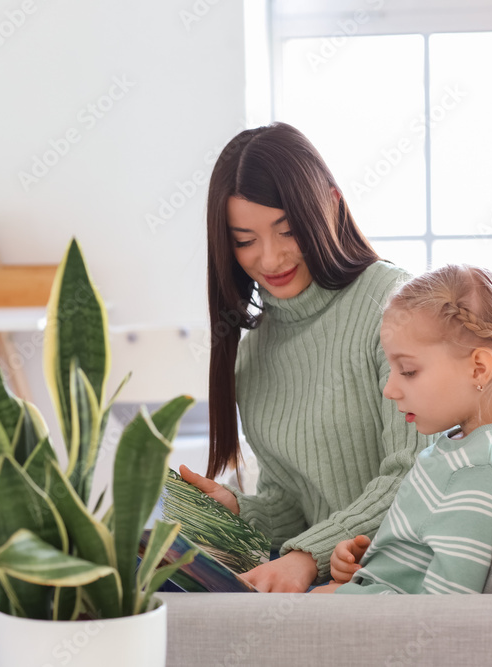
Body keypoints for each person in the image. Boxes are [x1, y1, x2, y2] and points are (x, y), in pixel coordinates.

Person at [178, 122, 431, 592]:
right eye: (245, 240)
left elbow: (416, 473)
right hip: (318, 568)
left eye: (288, 230)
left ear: (331, 206)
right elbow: (291, 502)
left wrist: (304, 557)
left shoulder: (391, 305)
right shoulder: (253, 353)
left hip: (385, 571)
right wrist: (237, 510)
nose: (270, 259)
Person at [320, 264, 492, 595]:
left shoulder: (480, 472)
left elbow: (442, 610)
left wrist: (346, 598)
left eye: (407, 371)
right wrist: (372, 561)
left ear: (479, 369)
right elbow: (421, 556)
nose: (389, 389)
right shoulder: (461, 449)